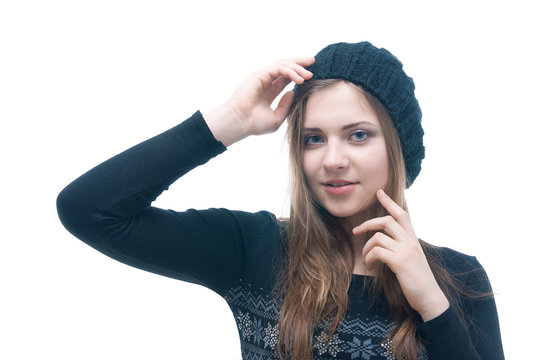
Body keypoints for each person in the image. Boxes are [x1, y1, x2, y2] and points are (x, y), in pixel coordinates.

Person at [56, 42, 504, 360]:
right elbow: (89, 210)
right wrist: (228, 121)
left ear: (398, 148)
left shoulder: (457, 278)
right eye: (313, 139)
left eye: (358, 135)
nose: (332, 160)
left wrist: (433, 305)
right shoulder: (253, 247)